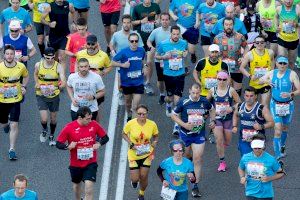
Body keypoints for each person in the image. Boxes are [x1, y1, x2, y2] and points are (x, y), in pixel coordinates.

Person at [171, 83, 216, 197]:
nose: (196, 95)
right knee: (186, 156)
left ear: (200, 92)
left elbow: (212, 110)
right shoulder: (183, 102)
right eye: (193, 93)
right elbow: (173, 115)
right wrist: (184, 125)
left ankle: (195, 186)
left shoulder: (204, 101)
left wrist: (213, 120)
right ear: (190, 91)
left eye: (198, 93)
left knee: (198, 158)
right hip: (185, 134)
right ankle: (189, 160)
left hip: (198, 135)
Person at [56, 106, 109, 200]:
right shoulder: (69, 127)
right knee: (76, 187)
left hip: (90, 163)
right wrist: (68, 147)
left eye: (91, 117)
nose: (90, 120)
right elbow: (58, 143)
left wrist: (99, 144)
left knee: (89, 188)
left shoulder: (94, 124)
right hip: (75, 164)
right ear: (80, 118)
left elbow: (105, 138)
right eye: (87, 119)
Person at [259, 56, 300, 160]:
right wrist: (267, 82)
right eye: (280, 63)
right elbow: (259, 81)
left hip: (288, 105)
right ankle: (277, 155)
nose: (282, 65)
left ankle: (282, 146)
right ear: (276, 63)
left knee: (285, 128)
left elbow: (299, 90)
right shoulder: (272, 73)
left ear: (287, 64)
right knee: (277, 129)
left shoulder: (292, 74)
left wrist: (291, 94)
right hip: (275, 104)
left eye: (284, 63)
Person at [122, 104, 159, 200]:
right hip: (133, 155)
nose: (142, 116)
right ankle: (134, 181)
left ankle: (141, 194)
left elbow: (156, 135)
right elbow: (124, 134)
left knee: (143, 175)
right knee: (135, 178)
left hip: (147, 154)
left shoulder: (152, 124)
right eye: (139, 114)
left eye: (144, 114)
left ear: (147, 113)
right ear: (136, 114)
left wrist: (155, 142)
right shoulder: (130, 123)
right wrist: (130, 143)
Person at [206, 71, 241, 172]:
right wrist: (208, 114)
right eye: (219, 79)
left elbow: (239, 103)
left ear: (227, 80)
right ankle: (222, 162)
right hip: (216, 118)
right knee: (219, 139)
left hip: (228, 118)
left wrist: (232, 108)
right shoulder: (212, 90)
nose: (221, 81)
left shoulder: (231, 91)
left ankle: (221, 146)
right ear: (216, 79)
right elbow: (206, 103)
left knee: (227, 140)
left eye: (224, 79)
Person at [0, 45, 29, 160]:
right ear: (4, 55)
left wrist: (24, 86)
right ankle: (4, 124)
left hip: (15, 99)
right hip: (2, 100)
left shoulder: (21, 66)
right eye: (7, 54)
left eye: (11, 54)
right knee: (4, 123)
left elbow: (26, 77)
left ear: (14, 55)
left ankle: (12, 149)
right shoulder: (0, 67)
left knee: (14, 124)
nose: (9, 56)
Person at [109, 14, 144, 106]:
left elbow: (141, 48)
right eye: (124, 22)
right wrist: (113, 52)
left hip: (134, 61)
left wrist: (143, 65)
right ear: (122, 23)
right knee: (120, 81)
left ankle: (133, 101)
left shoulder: (136, 35)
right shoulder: (117, 35)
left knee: (133, 79)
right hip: (121, 62)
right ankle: (121, 93)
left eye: (128, 22)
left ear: (131, 24)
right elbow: (111, 44)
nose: (126, 24)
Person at [34, 47, 66, 146]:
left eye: (52, 57)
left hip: (54, 95)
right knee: (44, 119)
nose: (50, 60)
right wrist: (37, 83)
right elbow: (35, 74)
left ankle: (52, 134)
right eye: (48, 58)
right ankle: (44, 129)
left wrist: (62, 85)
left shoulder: (58, 66)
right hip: (41, 94)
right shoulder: (38, 65)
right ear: (44, 56)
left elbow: (63, 78)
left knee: (53, 119)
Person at [238, 134, 285, 200]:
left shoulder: (271, 159)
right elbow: (240, 168)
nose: (257, 150)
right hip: (250, 192)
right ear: (251, 146)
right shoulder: (245, 157)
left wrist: (269, 178)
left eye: (259, 148)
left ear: (263, 146)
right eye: (255, 148)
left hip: (265, 195)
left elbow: (281, 173)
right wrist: (242, 177)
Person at [112, 33, 146, 121]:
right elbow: (112, 62)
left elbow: (143, 60)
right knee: (128, 103)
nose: (134, 43)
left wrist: (145, 66)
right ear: (129, 42)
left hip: (138, 82)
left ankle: (133, 124)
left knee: (135, 106)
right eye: (132, 41)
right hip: (127, 83)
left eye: (136, 41)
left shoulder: (141, 50)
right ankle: (129, 114)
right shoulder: (123, 52)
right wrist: (122, 65)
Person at [155, 25, 188, 117]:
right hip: (168, 74)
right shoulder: (163, 44)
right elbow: (156, 56)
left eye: (177, 34)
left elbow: (185, 52)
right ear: (170, 34)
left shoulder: (183, 43)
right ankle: (168, 104)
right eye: (174, 34)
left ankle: (176, 123)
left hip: (180, 74)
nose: (176, 36)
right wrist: (163, 57)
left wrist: (185, 54)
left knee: (177, 99)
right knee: (170, 98)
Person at [232, 86, 274, 156]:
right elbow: (235, 115)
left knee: (257, 159)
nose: (249, 98)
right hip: (244, 139)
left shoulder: (261, 109)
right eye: (247, 96)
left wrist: (261, 126)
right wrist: (234, 126)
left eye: (251, 96)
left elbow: (272, 123)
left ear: (255, 96)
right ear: (244, 96)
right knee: (246, 158)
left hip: (258, 139)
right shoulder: (239, 106)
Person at [132, 0, 161, 95]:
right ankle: (141, 77)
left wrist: (158, 21)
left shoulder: (156, 6)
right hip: (139, 39)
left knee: (149, 61)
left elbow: (158, 16)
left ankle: (147, 82)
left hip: (151, 39)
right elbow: (132, 22)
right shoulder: (137, 8)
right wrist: (141, 21)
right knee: (141, 61)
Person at [213, 17, 248, 96]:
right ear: (223, 25)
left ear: (233, 25)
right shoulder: (217, 38)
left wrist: (243, 57)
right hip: (223, 69)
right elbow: (214, 52)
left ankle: (235, 108)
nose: (228, 26)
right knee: (225, 93)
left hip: (237, 68)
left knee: (236, 93)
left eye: (230, 24)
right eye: (226, 24)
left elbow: (246, 47)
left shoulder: (240, 36)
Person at [239, 35, 275, 106]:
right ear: (254, 44)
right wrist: (250, 76)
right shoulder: (249, 54)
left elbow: (272, 62)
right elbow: (241, 68)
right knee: (253, 105)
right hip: (254, 83)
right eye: (257, 43)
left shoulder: (270, 52)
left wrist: (271, 75)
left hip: (265, 82)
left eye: (262, 42)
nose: (259, 44)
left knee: (264, 105)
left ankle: (263, 116)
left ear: (265, 43)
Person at [41, 0, 75, 71]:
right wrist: (49, 24)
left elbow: (73, 12)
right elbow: (42, 19)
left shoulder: (69, 5)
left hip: (65, 35)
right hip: (54, 36)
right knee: (55, 59)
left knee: (62, 58)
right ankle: (55, 75)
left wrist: (73, 22)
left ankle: (62, 79)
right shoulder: (49, 7)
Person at [147, 12, 171, 105]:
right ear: (160, 20)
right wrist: (151, 47)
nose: (165, 21)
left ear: (169, 21)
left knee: (170, 78)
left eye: (166, 20)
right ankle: (162, 94)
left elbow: (180, 41)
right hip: (159, 59)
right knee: (160, 80)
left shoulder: (173, 31)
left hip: (171, 60)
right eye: (163, 19)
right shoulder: (156, 31)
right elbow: (149, 41)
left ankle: (170, 95)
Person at [276, 0, 300, 69]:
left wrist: (296, 24)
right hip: (282, 38)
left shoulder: (298, 8)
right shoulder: (279, 8)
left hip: (294, 39)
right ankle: (282, 76)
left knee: (291, 61)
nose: (288, 1)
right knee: (282, 59)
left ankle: (289, 77)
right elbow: (276, 17)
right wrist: (276, 26)